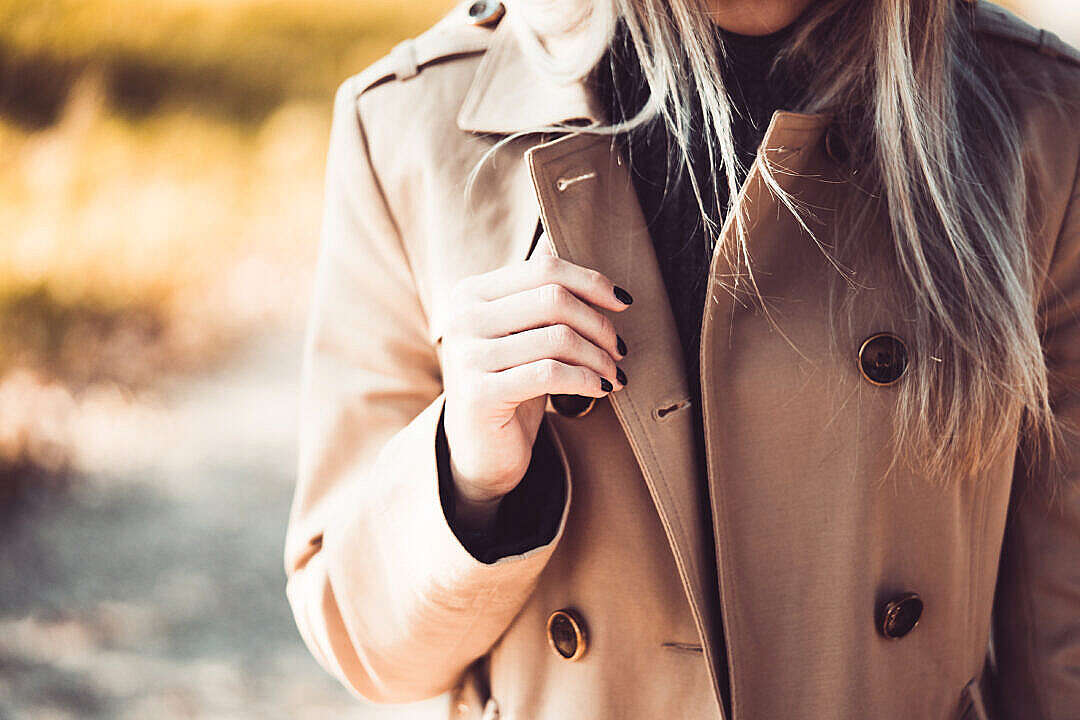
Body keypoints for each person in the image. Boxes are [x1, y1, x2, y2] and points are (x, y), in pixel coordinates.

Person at [283, 0, 1080, 717]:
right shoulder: (414, 123)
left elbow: (1064, 632)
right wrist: (466, 473)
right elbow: (366, 647)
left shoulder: (1041, 121)